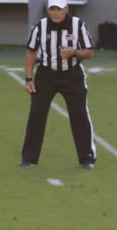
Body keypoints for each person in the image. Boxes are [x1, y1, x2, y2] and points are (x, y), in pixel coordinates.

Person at [20, 0, 96, 169]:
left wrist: (74, 52)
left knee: (80, 115)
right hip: (46, 75)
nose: (55, 12)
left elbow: (90, 52)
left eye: (59, 9)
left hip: (72, 75)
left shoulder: (78, 25)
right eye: (52, 9)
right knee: (36, 114)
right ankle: (29, 158)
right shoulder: (40, 27)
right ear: (48, 9)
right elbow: (31, 51)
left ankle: (87, 157)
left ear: (66, 9)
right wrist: (28, 78)